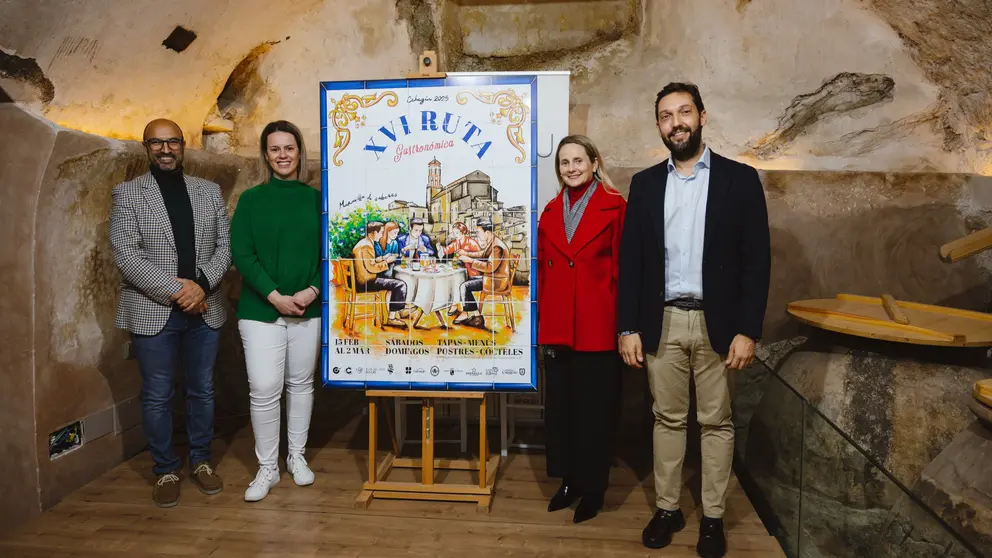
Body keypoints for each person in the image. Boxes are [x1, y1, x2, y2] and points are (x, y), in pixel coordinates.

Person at [617, 83, 771, 557]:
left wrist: (748, 329)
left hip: (716, 325)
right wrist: (627, 327)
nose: (676, 122)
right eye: (666, 116)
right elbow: (632, 262)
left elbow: (756, 261)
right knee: (665, 419)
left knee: (717, 422)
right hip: (660, 321)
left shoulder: (740, 180)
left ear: (702, 116)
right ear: (659, 126)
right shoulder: (644, 184)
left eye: (684, 112)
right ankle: (667, 509)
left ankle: (713, 517)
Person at [110, 118, 231, 508]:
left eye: (173, 142)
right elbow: (127, 255)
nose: (165, 149)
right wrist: (180, 291)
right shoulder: (127, 194)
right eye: (156, 143)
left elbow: (225, 248)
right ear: (146, 148)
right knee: (158, 395)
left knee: (203, 390)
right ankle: (165, 469)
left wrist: (201, 285)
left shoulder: (208, 191)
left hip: (205, 308)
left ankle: (201, 462)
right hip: (153, 310)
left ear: (184, 145)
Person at [230, 120, 322, 502]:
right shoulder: (251, 201)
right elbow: (242, 254)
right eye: (275, 149)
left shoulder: (318, 200)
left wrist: (312, 289)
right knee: (265, 388)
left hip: (308, 306)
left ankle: (296, 457)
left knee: (300, 385)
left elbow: (328, 251)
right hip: (260, 310)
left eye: (289, 147)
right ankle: (267, 467)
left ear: (299, 152)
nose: (283, 155)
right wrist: (274, 296)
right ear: (265, 155)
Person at [536, 135, 626, 523]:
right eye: (564, 162)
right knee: (561, 412)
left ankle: (593, 488)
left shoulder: (615, 206)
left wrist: (627, 328)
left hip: (597, 327)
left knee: (595, 413)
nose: (571, 168)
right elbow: (542, 273)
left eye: (578, 160)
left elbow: (624, 270)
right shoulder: (550, 211)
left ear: (593, 162)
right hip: (558, 328)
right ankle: (569, 481)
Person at [453, 220, 510, 330]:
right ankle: (469, 313)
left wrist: (470, 260)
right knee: (465, 279)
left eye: (479, 232)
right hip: (491, 278)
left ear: (487, 233)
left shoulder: (497, 247)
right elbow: (482, 254)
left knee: (465, 286)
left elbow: (489, 267)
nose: (477, 235)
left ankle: (477, 316)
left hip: (496, 281)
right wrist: (466, 253)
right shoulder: (494, 242)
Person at [352, 221, 409, 328]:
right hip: (367, 281)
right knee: (400, 285)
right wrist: (386, 262)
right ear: (374, 233)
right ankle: (392, 318)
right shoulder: (367, 246)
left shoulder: (364, 243)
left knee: (394, 281)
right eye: (381, 232)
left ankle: (399, 311)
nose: (382, 235)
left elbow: (369, 262)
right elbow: (371, 268)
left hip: (362, 279)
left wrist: (382, 258)